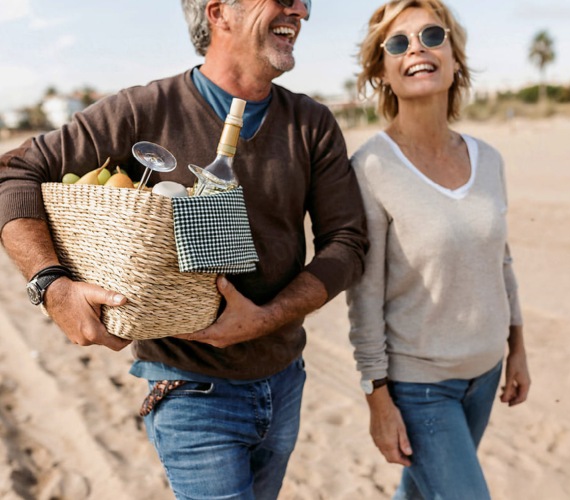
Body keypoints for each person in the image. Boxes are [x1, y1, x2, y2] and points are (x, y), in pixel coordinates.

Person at [0, 0, 368, 498]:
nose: (300, 9)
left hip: (285, 381)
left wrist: (269, 316)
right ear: (219, 13)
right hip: (188, 388)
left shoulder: (312, 123)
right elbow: (11, 173)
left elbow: (347, 242)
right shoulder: (142, 110)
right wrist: (51, 285)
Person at [345, 1, 531, 498]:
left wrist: (517, 350)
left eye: (431, 35)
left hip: (486, 374)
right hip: (420, 386)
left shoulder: (488, 159)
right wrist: (377, 399)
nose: (417, 50)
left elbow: (501, 262)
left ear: (454, 59)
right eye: (398, 43)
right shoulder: (370, 169)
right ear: (382, 71)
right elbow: (364, 297)